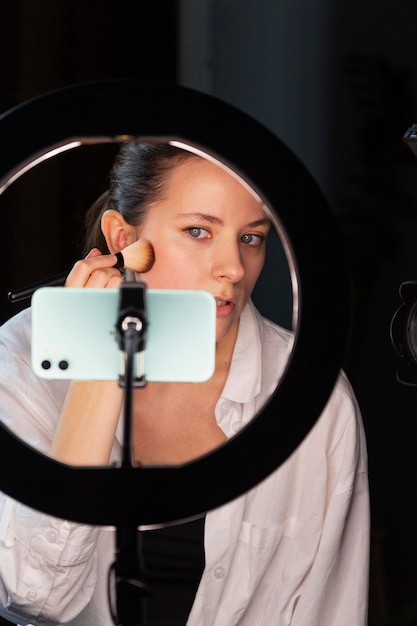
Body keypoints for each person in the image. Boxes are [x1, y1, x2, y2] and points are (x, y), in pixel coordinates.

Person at [0, 142, 369, 626]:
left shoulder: (311, 397)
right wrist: (98, 366)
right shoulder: (20, 359)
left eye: (252, 238)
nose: (234, 269)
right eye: (198, 231)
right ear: (120, 238)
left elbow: (332, 612)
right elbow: (33, 596)